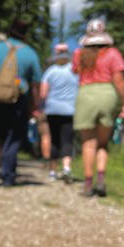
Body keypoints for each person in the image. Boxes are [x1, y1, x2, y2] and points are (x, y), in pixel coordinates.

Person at [0, 18, 42, 187]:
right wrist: (35, 106)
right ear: (25, 35)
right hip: (17, 102)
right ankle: (8, 176)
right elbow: (35, 85)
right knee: (13, 137)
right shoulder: (30, 54)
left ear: (9, 32)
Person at [72, 19, 124, 197]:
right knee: (102, 143)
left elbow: (76, 72)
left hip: (85, 95)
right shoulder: (113, 53)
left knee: (88, 143)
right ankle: (101, 180)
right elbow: (118, 80)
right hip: (107, 94)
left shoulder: (79, 54)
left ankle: (88, 184)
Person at [39, 42, 79, 183]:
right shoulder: (75, 71)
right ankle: (67, 168)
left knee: (54, 140)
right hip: (70, 110)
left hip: (53, 110)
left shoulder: (50, 72)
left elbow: (43, 94)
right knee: (67, 140)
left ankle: (52, 171)